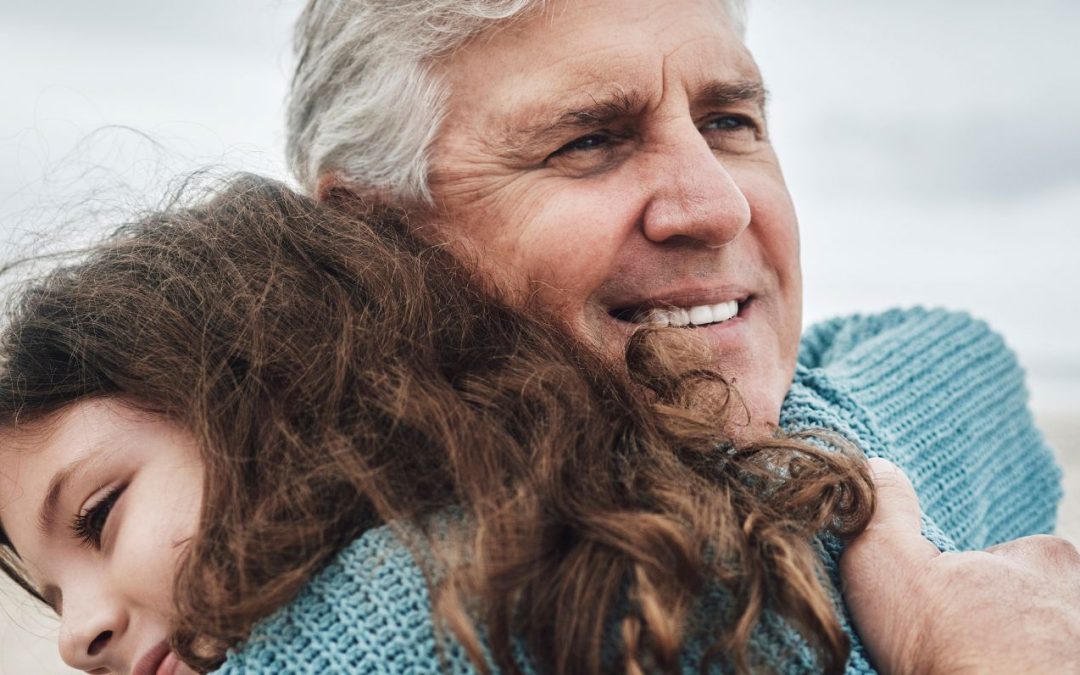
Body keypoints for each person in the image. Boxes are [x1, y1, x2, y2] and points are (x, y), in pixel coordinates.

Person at [284, 0, 1077, 669]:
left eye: (729, 121)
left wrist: (811, 471)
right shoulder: (350, 623)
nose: (718, 204)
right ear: (371, 234)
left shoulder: (919, 388)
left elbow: (965, 361)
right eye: (588, 141)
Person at [0, 175, 876, 674]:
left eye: (99, 514)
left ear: (280, 387)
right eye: (52, 593)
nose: (78, 637)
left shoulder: (443, 614)